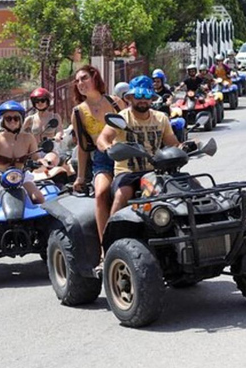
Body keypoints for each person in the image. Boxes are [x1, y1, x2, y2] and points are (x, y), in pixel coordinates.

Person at [97, 75, 187, 215]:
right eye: (138, 95)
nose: (143, 100)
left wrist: (184, 147)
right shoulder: (122, 118)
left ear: (152, 98)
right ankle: (112, 230)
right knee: (122, 195)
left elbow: (172, 142)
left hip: (156, 172)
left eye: (147, 95)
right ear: (130, 98)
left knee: (187, 187)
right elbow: (102, 138)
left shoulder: (161, 118)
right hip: (128, 173)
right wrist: (108, 147)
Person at [70, 65, 125, 243]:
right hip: (102, 158)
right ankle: (105, 246)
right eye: (77, 81)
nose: (80, 83)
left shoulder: (116, 102)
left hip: (126, 154)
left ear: (95, 78)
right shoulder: (78, 112)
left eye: (84, 78)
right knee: (101, 193)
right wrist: (80, 177)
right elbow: (83, 147)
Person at [22, 87, 63, 152]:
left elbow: (59, 130)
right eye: (36, 101)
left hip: (51, 149)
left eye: (42, 100)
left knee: (50, 161)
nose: (39, 103)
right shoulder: (30, 119)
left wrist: (57, 136)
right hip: (35, 150)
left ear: (47, 101)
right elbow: (19, 132)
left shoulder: (55, 117)